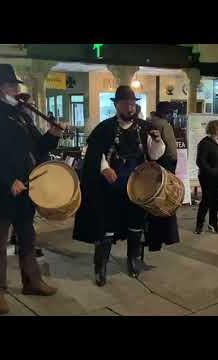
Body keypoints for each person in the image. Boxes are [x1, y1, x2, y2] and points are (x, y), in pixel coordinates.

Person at [0, 64, 64, 315]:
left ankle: (32, 281)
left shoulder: (20, 116)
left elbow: (38, 148)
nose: (16, 89)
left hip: (26, 189)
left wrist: (52, 135)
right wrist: (8, 180)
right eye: (12, 85)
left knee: (27, 237)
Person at [73, 85, 170, 287]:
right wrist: (104, 168)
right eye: (126, 103)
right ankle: (101, 267)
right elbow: (94, 153)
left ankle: (133, 260)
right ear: (117, 105)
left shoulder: (144, 127)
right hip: (111, 185)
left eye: (133, 104)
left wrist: (158, 141)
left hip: (137, 185)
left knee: (136, 223)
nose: (130, 107)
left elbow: (155, 154)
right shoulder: (105, 128)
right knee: (106, 227)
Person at [145, 101, 180, 251]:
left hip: (157, 166)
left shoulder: (152, 122)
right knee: (164, 202)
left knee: (157, 203)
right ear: (167, 113)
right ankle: (162, 238)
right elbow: (169, 150)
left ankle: (155, 240)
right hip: (164, 166)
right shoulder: (163, 124)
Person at [195, 120, 218, 234]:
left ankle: (213, 224)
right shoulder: (205, 143)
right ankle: (199, 225)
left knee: (215, 201)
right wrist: (212, 172)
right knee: (206, 200)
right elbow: (200, 161)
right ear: (216, 129)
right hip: (208, 178)